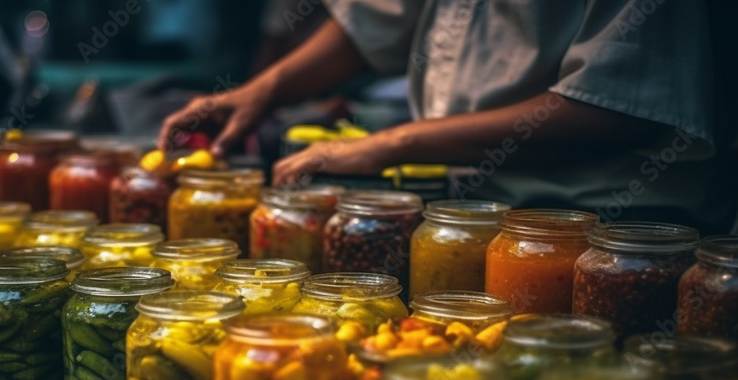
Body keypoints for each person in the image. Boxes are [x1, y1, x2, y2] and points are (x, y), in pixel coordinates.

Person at [158, 0, 737, 234]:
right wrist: (261, 91)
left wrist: (393, 143)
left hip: (607, 229)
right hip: (466, 210)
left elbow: (623, 109)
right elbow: (377, 21)